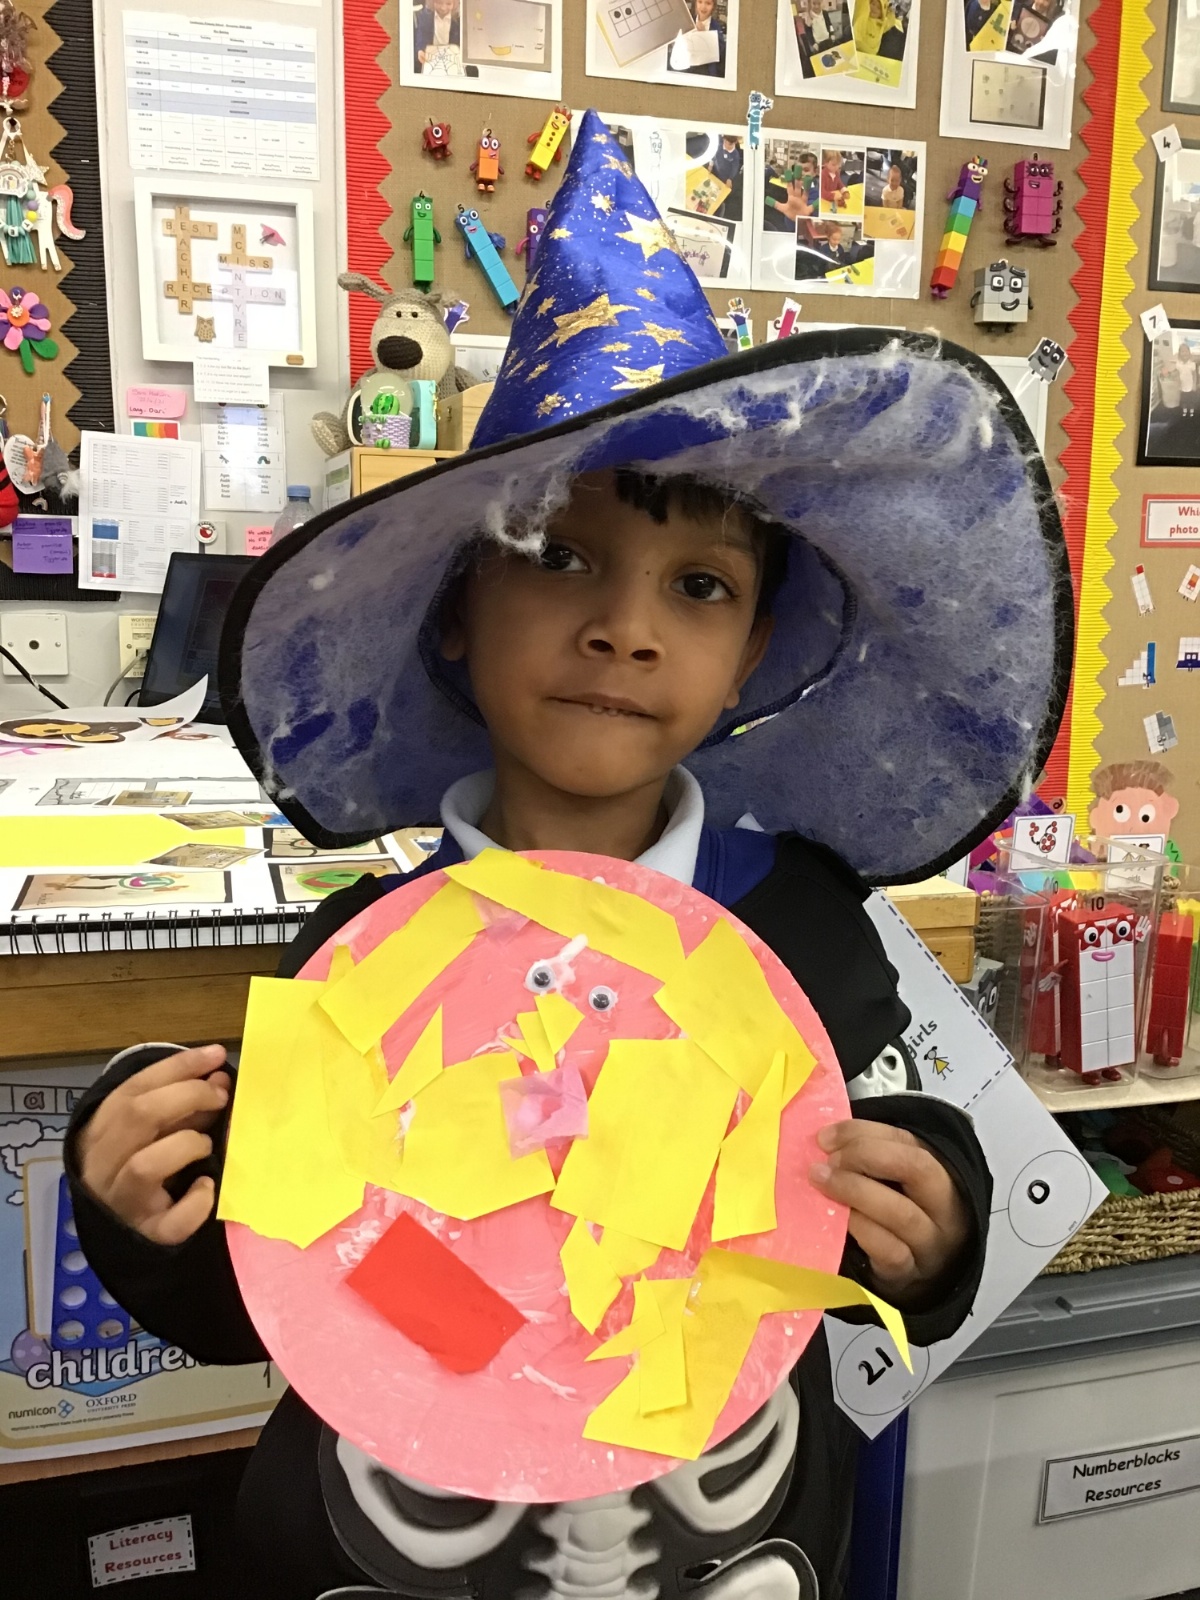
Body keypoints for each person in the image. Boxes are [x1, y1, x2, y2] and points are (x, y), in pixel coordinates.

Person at [67, 111, 1070, 1600]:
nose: (625, 628)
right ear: (456, 613)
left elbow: (875, 1229)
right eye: (560, 555)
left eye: (700, 585)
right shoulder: (365, 958)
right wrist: (136, 1212)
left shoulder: (800, 928)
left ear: (750, 655)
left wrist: (935, 1225)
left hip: (728, 1542)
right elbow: (268, 1293)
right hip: (405, 1548)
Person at [667, 0, 727, 77]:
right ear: (695, 3)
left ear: (713, 6)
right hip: (686, 67)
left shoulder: (716, 26)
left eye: (708, 3)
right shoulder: (687, 21)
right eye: (700, 2)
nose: (703, 7)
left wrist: (705, 34)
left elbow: (720, 52)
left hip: (706, 70)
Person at [414, 0, 459, 68]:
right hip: (431, 54)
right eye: (439, 3)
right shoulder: (425, 16)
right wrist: (420, 49)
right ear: (432, 2)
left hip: (451, 55)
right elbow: (421, 34)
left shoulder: (458, 19)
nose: (443, 8)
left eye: (448, 4)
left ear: (455, 3)